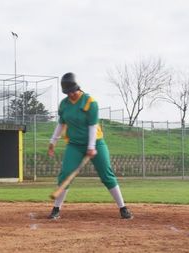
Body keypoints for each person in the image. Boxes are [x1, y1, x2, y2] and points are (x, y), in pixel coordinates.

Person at [47, 72, 133, 220]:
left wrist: (92, 146)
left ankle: (123, 208)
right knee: (66, 174)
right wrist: (53, 141)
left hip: (96, 143)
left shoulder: (90, 102)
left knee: (107, 175)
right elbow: (61, 123)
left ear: (78, 87)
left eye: (73, 91)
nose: (71, 94)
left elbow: (93, 126)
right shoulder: (64, 104)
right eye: (68, 92)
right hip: (74, 145)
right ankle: (56, 209)